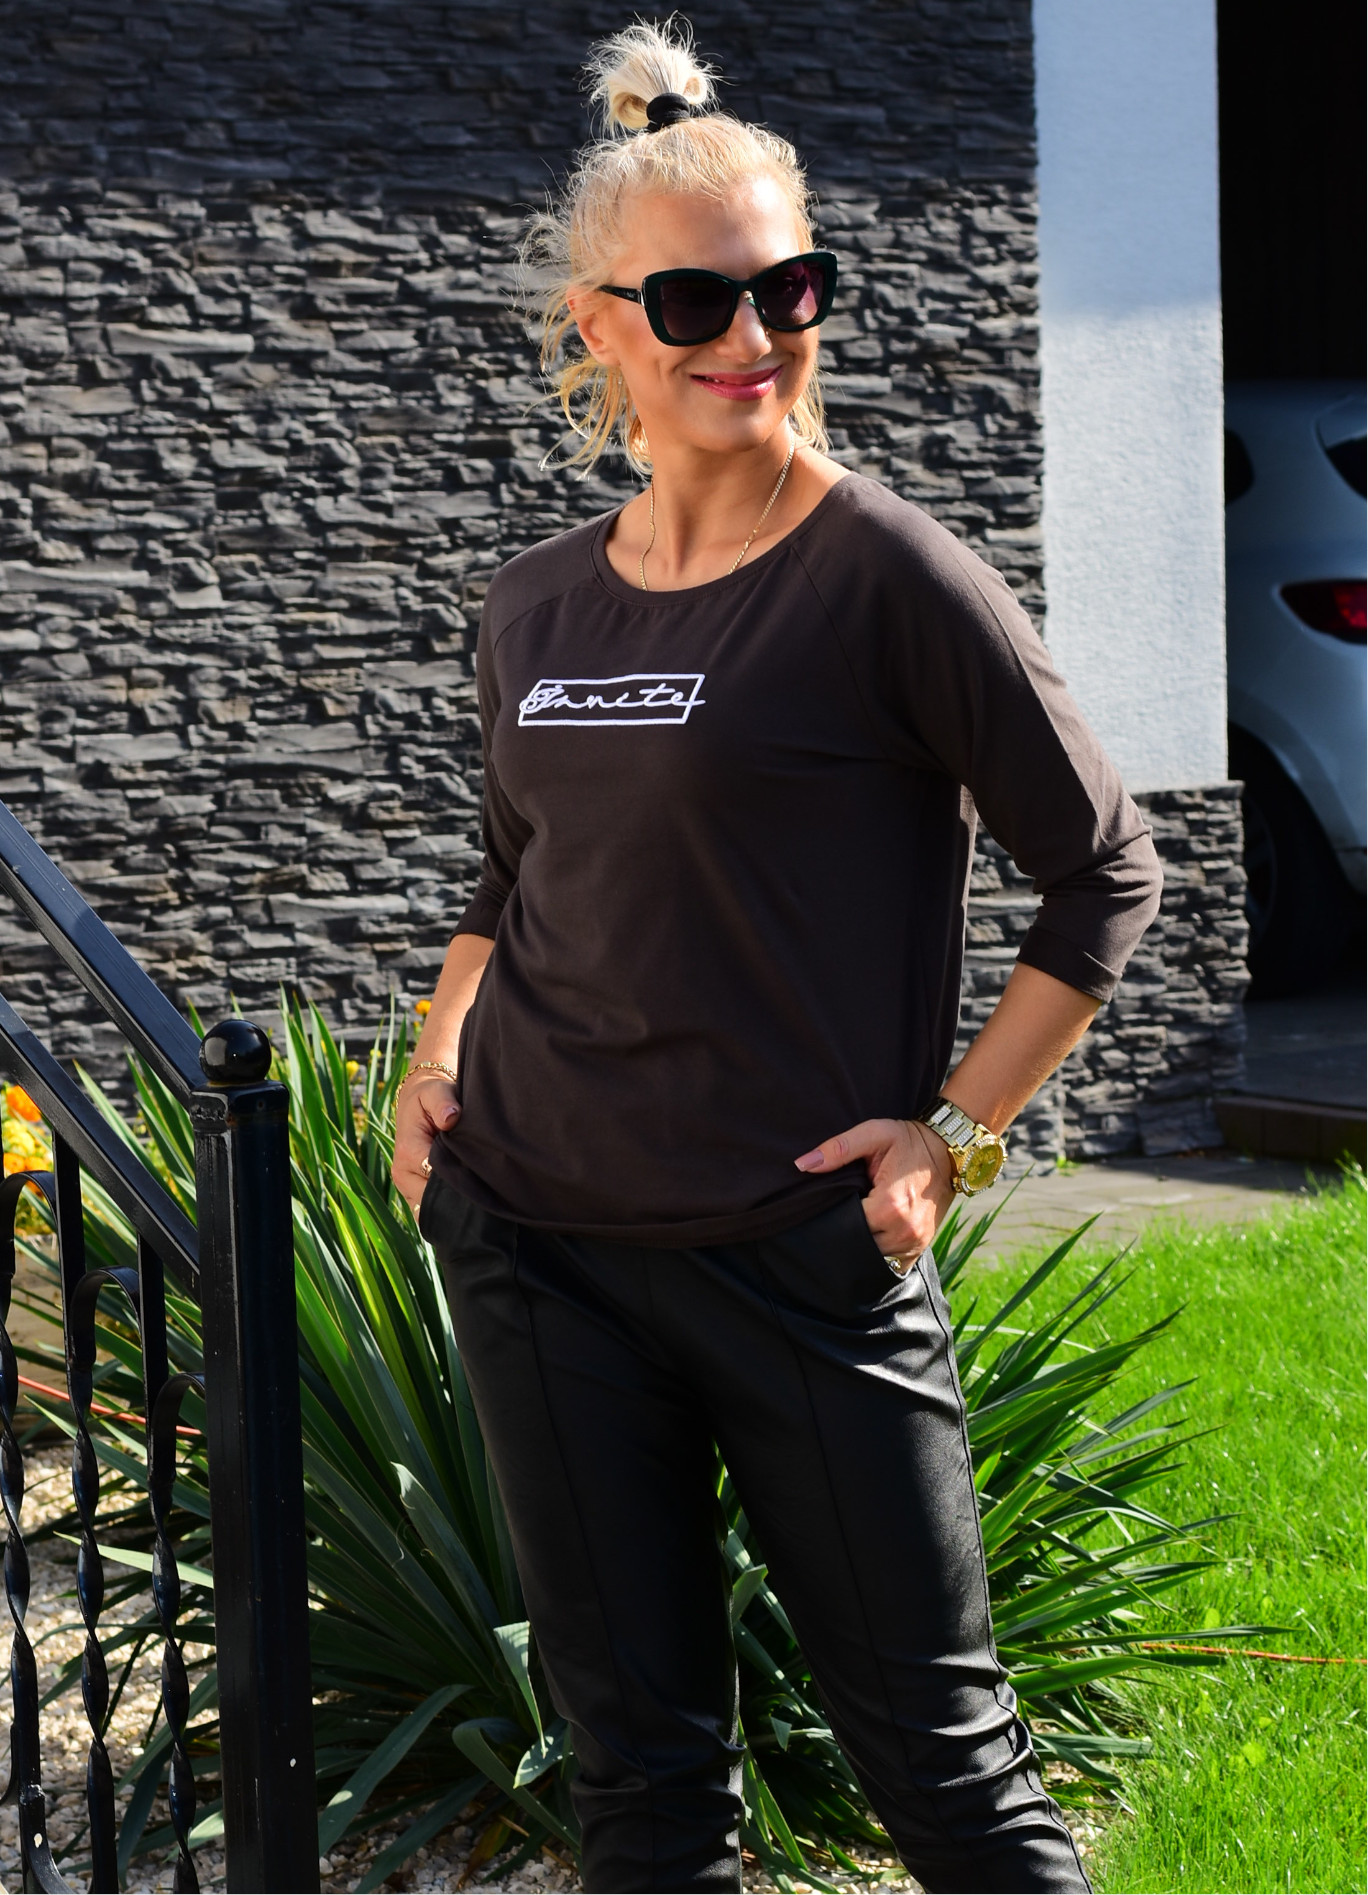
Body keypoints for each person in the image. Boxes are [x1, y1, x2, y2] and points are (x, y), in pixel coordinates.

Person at [392, 21, 1161, 1894]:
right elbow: (516, 867)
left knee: (952, 1785)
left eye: (787, 290)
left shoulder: (890, 575)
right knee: (643, 1791)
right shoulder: (535, 604)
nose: (750, 337)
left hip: (797, 1255)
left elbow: (1104, 873)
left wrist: (950, 1137)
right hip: (542, 1248)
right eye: (694, 302)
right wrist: (436, 1058)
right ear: (599, 330)